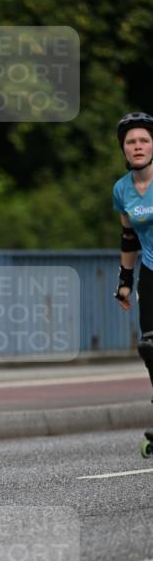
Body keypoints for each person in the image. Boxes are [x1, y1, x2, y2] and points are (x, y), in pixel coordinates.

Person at [112, 111, 153, 456]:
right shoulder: (122, 190)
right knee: (150, 347)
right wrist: (125, 280)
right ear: (123, 149)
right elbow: (129, 238)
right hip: (150, 272)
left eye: (144, 140)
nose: (137, 146)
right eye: (131, 142)